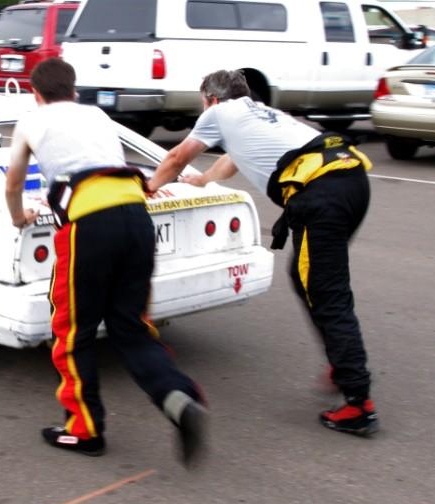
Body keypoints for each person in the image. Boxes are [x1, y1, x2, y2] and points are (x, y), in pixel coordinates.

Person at [148, 69, 377, 436]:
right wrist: (204, 180)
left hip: (322, 195)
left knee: (325, 291)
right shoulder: (258, 113)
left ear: (210, 99)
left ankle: (358, 402)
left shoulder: (218, 113)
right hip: (350, 181)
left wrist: (149, 186)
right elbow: (231, 160)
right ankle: (343, 360)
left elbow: (176, 157)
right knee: (308, 280)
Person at [5, 58, 208, 465]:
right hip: (136, 218)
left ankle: (84, 431)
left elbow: (12, 183)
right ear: (74, 91)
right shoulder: (96, 114)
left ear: (35, 93)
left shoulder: (31, 120)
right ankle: (178, 396)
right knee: (130, 327)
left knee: (72, 331)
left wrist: (19, 217)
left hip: (89, 226)